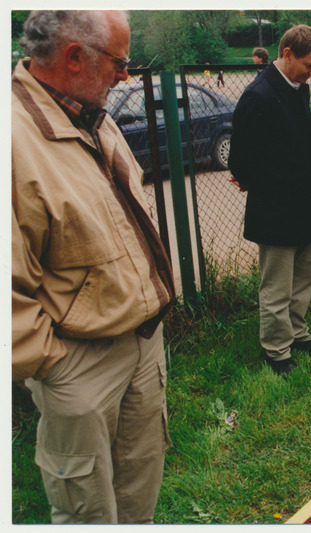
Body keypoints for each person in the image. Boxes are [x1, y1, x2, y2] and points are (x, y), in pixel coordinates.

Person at [12, 10, 176, 523]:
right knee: (87, 512)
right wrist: (53, 365)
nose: (126, 75)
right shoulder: (11, 139)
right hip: (78, 363)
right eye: (120, 62)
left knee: (138, 494)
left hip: (143, 343)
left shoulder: (88, 112)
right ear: (75, 56)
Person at [228, 25, 311, 376]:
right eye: (309, 65)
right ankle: (277, 351)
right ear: (287, 54)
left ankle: (299, 335)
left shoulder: (297, 88)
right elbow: (240, 158)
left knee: (303, 278)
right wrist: (263, 185)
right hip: (277, 210)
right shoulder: (259, 94)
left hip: (307, 205)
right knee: (276, 286)